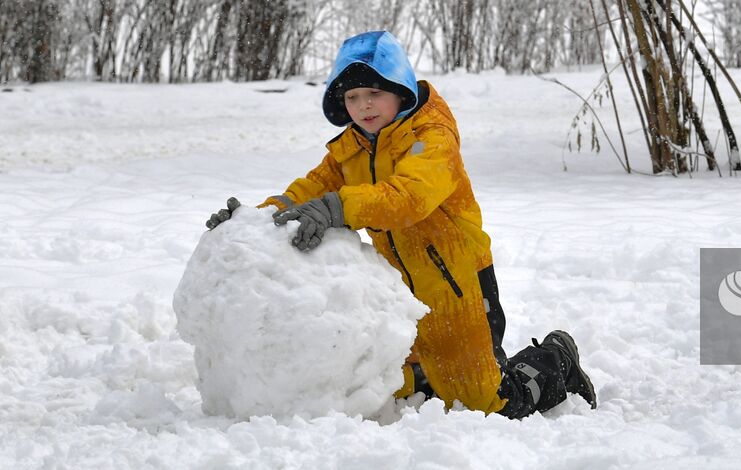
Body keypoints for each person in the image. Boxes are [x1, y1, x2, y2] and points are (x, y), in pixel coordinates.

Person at [205, 30, 596, 418]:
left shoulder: (432, 138)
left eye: (375, 92)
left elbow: (410, 197)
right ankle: (435, 374)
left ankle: (554, 356)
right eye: (353, 97)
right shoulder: (353, 147)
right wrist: (254, 219)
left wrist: (337, 207)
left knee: (483, 405)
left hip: (457, 285)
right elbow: (310, 190)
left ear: (400, 89)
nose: (364, 106)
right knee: (402, 388)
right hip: (398, 288)